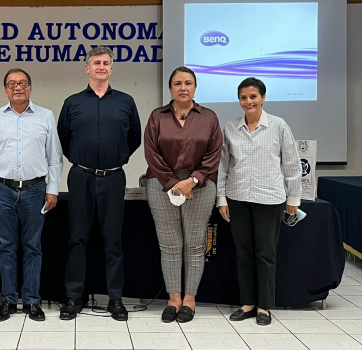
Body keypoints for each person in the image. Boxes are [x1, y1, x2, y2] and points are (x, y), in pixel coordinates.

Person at [57, 46, 141, 321]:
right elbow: (64, 138)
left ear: (111, 69)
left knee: (113, 240)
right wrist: (83, 160)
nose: (101, 66)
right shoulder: (72, 102)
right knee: (76, 239)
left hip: (114, 178)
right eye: (96, 62)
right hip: (81, 176)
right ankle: (73, 298)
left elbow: (135, 138)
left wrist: (118, 158)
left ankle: (115, 299)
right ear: (87, 68)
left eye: (106, 63)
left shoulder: (126, 102)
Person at [0, 68, 63, 322]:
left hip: (35, 191)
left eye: (23, 83)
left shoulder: (45, 116)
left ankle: (32, 302)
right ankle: (7, 301)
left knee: (33, 248)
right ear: (6, 90)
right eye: (12, 84)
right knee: (6, 248)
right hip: (3, 190)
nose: (18, 87)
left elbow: (55, 158)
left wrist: (52, 189)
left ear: (30, 88)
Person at [217, 77, 301, 326]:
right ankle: (248, 304)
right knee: (243, 254)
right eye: (243, 97)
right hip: (238, 197)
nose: (248, 101)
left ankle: (264, 306)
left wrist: (293, 197)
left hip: (269, 198)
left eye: (253, 96)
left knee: (265, 253)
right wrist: (221, 198)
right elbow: (223, 166)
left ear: (263, 98)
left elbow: (292, 164)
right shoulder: (230, 128)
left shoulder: (278, 125)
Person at [144, 66, 222, 323]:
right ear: (170, 89)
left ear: (195, 87)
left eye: (188, 83)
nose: (183, 88)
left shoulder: (209, 117)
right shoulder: (157, 116)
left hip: (200, 187)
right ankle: (174, 298)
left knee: (194, 245)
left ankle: (190, 299)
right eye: (177, 83)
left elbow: (214, 154)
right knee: (170, 246)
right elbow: (151, 153)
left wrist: (192, 181)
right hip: (161, 185)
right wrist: (173, 184)